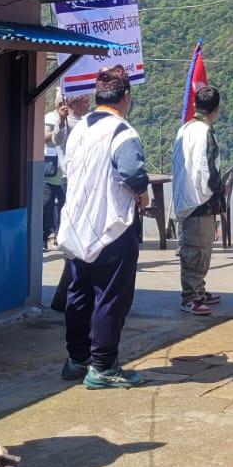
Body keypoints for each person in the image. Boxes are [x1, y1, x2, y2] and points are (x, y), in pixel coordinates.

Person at [57, 64, 151, 389]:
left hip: (76, 225)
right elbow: (133, 172)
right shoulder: (123, 132)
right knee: (110, 297)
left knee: (79, 293)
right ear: (126, 96)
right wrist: (142, 193)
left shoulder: (80, 128)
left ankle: (77, 359)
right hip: (111, 226)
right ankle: (103, 365)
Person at [170, 85, 224, 314]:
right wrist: (215, 193)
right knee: (195, 251)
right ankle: (191, 297)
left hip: (187, 196)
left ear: (195, 105)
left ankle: (199, 289)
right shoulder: (205, 132)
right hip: (200, 201)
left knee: (200, 248)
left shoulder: (185, 129)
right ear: (216, 110)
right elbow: (208, 169)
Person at [47, 91, 91, 313]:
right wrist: (62, 120)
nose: (88, 103)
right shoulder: (66, 123)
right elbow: (57, 139)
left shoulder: (89, 121)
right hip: (70, 180)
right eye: (84, 100)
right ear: (74, 102)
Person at [41, 93, 67, 247]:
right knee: (47, 206)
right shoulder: (49, 118)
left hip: (66, 171)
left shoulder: (75, 120)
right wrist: (59, 130)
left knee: (65, 207)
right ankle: (43, 238)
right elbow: (42, 137)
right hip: (50, 170)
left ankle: (60, 236)